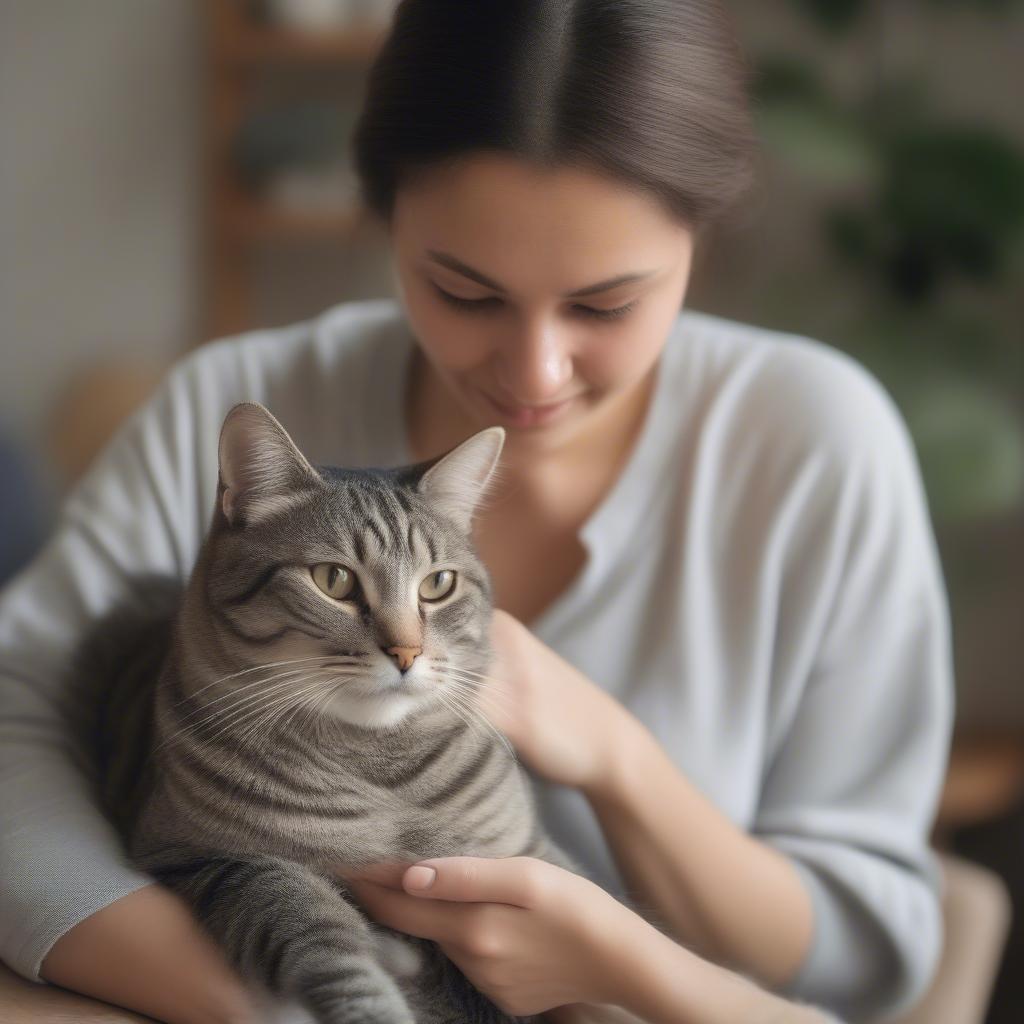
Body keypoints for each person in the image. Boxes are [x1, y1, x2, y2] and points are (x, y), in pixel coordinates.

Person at [0, 2, 952, 1023]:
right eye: (465, 291)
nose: (533, 372)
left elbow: (867, 955)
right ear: (381, 212)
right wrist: (258, 1000)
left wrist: (617, 769)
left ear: (699, 243)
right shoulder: (229, 397)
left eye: (604, 303)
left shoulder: (816, 442)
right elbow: (17, 722)